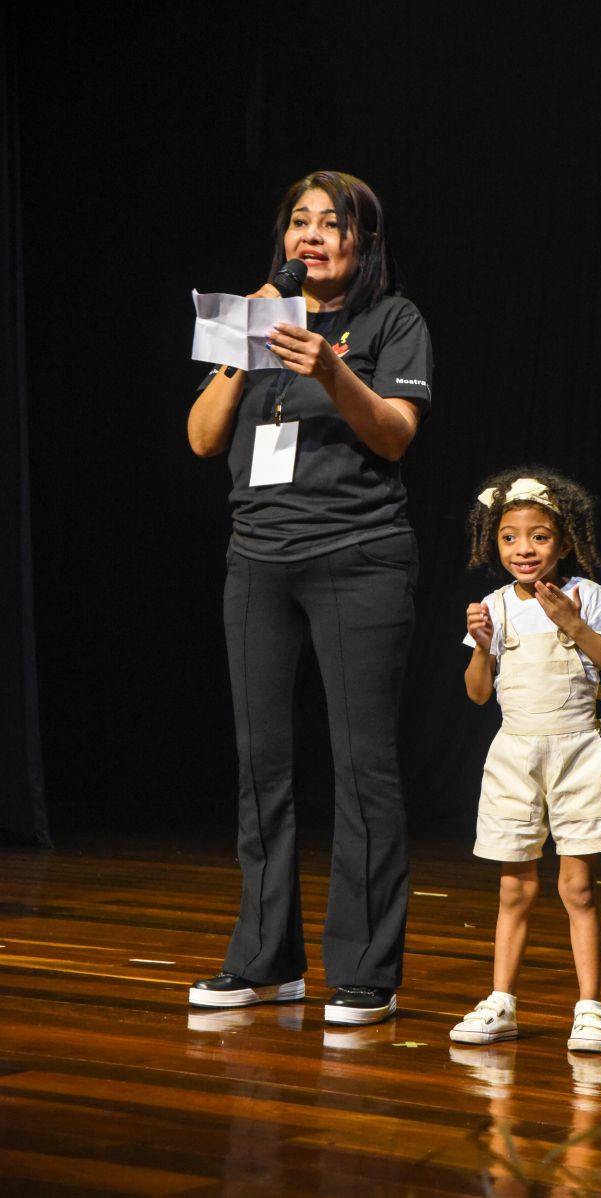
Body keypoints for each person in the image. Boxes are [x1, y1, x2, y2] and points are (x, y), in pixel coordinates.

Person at [187, 170, 432, 1026]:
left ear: (362, 242)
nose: (313, 235)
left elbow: (395, 436)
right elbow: (202, 436)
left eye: (333, 223)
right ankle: (265, 962)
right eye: (300, 221)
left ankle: (366, 971)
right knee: (262, 768)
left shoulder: (393, 320)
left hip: (358, 556)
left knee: (362, 770)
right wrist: (242, 336)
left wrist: (330, 369)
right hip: (256, 558)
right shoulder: (251, 316)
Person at [450, 467, 601, 1051]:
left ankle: (588, 1008)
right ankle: (502, 1001)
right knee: (514, 888)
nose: (523, 549)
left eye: (538, 536)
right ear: (494, 542)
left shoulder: (586, 596)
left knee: (577, 888)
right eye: (510, 537)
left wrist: (573, 625)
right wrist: (483, 646)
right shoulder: (494, 605)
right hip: (515, 755)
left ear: (563, 542)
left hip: (577, 751)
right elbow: (479, 693)